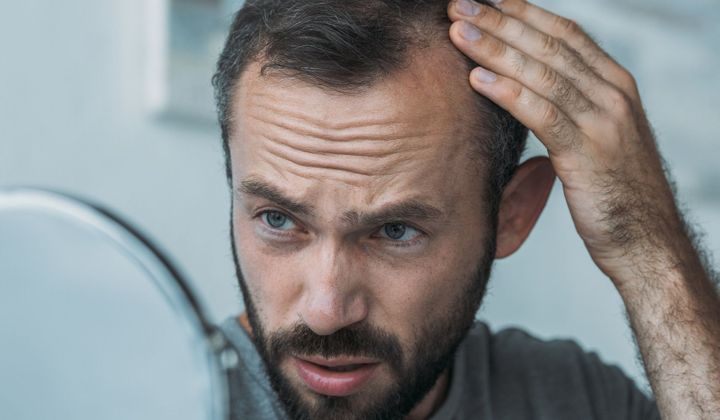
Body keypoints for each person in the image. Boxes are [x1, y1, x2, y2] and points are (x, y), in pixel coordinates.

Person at [211, 0, 720, 418]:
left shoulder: (572, 398)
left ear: (511, 214)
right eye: (277, 220)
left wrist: (649, 248)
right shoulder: (158, 396)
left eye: (395, 231)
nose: (326, 312)